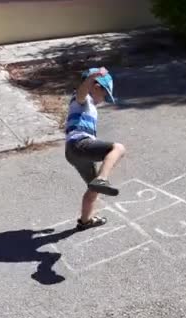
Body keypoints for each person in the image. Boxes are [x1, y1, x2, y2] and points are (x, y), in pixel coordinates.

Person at [64, 67, 126, 229]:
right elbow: (81, 92)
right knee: (118, 148)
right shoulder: (82, 100)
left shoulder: (90, 106)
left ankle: (85, 221)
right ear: (96, 87)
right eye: (104, 94)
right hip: (79, 144)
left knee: (93, 188)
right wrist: (92, 78)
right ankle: (102, 179)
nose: (104, 98)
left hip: (73, 152)